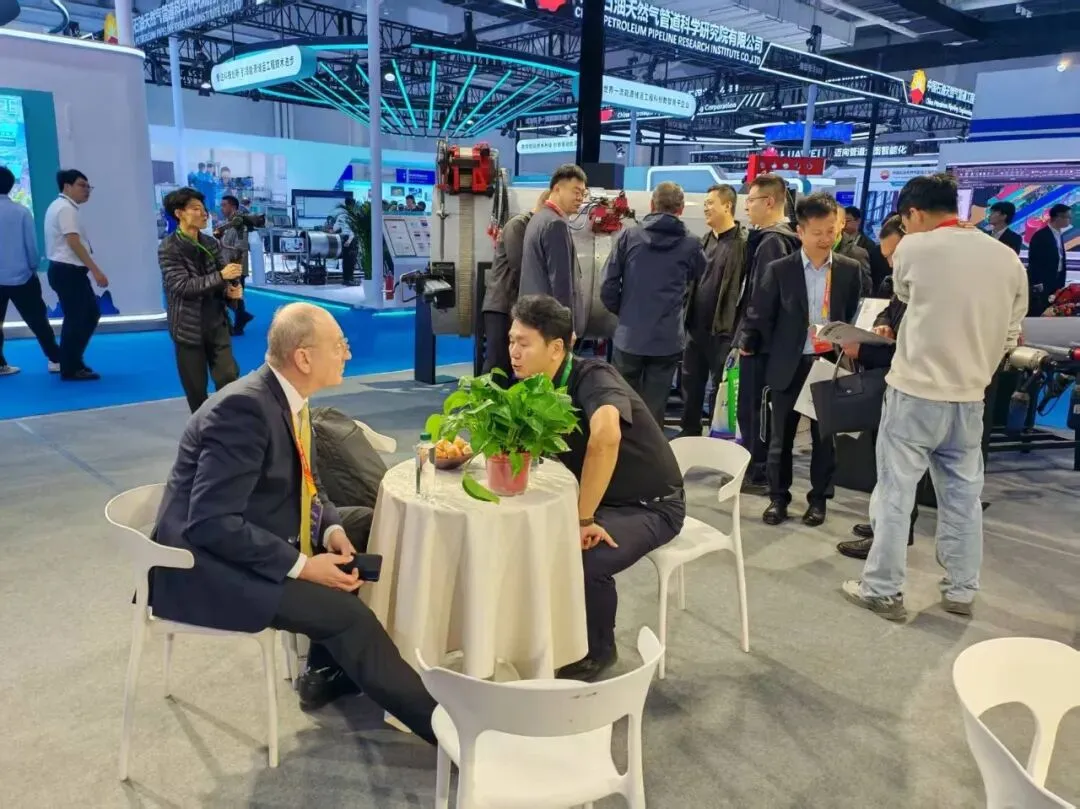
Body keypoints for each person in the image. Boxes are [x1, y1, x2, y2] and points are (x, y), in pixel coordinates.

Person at [151, 302, 437, 742]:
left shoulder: (288, 400)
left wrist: (332, 529)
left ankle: (329, 666)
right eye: (339, 345)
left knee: (366, 527)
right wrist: (303, 566)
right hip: (204, 567)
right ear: (303, 358)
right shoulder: (243, 411)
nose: (347, 354)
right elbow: (210, 523)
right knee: (349, 616)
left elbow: (310, 483)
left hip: (255, 530)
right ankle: (450, 733)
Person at [842, 173, 1027, 622]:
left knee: (894, 494)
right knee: (963, 498)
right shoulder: (1007, 258)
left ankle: (882, 589)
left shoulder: (914, 248)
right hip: (970, 396)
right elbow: (1010, 333)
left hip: (914, 392)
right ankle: (961, 589)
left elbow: (905, 295)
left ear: (914, 213)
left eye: (905, 221)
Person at [509, 295, 685, 682]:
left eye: (524, 343)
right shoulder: (536, 387)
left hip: (650, 505)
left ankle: (598, 650)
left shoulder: (594, 376)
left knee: (583, 559)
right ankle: (546, 635)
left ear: (556, 348)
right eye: (511, 341)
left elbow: (605, 436)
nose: (514, 353)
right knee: (526, 533)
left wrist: (584, 519)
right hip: (601, 497)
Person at [740, 192, 862, 526]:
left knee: (825, 440)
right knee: (781, 438)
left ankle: (819, 500)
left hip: (830, 364)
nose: (825, 239)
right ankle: (778, 498)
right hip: (788, 363)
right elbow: (761, 314)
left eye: (831, 231)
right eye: (817, 232)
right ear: (800, 232)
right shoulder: (781, 270)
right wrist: (750, 346)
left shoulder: (850, 270)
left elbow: (854, 312)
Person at [835, 216, 919, 559]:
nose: (892, 263)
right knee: (885, 463)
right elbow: (890, 310)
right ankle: (884, 523)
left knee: (901, 469)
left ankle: (891, 539)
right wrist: (883, 324)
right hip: (888, 382)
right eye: (887, 257)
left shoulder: (928, 288)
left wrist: (864, 351)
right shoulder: (903, 282)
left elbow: (912, 349)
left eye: (895, 255)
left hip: (913, 388)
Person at [600, 181, 705, 426]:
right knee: (654, 409)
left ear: (651, 204)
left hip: (630, 336)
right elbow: (699, 276)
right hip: (666, 339)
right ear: (680, 209)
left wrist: (625, 311)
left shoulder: (629, 236)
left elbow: (608, 285)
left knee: (622, 403)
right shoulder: (692, 244)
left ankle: (622, 447)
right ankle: (650, 447)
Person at [734, 173, 801, 493]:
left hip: (762, 345)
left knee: (754, 408)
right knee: (759, 408)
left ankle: (757, 470)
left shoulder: (773, 241)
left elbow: (762, 296)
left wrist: (748, 337)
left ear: (770, 202)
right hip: (774, 344)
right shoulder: (782, 238)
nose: (746, 206)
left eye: (751, 200)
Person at [159, 187, 242, 413]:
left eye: (204, 209)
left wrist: (231, 291)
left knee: (228, 377)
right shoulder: (168, 248)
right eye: (196, 209)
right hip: (188, 327)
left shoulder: (210, 243)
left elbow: (223, 277)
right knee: (196, 390)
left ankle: (229, 423)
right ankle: (203, 428)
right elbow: (182, 286)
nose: (204, 213)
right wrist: (222, 276)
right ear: (179, 214)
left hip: (216, 321)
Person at [678, 183, 747, 437]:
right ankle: (689, 431)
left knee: (721, 387)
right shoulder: (703, 241)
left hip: (724, 331)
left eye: (710, 203)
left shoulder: (743, 244)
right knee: (690, 383)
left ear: (727, 206)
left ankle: (718, 437)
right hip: (695, 328)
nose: (705, 208)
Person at [44, 169, 107, 381]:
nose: (86, 190)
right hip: (67, 271)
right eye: (82, 185)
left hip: (66, 271)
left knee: (86, 315)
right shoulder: (65, 209)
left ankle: (72, 361)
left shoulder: (62, 207)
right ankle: (70, 366)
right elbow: (73, 242)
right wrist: (96, 270)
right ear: (67, 186)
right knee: (78, 318)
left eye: (89, 186)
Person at [0, 165, 61, 376]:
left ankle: (0, 364)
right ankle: (55, 359)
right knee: (38, 321)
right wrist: (33, 267)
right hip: (22, 277)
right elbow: (31, 247)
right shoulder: (21, 212)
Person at [482, 190, 549, 383]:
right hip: (501, 306)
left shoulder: (533, 228)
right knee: (497, 364)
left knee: (513, 362)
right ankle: (485, 401)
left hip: (514, 305)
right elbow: (520, 266)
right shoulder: (518, 225)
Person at [519, 164, 589, 335]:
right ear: (557, 189)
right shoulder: (555, 224)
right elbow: (561, 282)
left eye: (583, 193)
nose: (580, 198)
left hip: (534, 319)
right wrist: (566, 328)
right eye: (576, 192)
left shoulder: (538, 219)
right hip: (549, 325)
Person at [216, 194, 255, 336]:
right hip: (227, 266)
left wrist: (223, 246)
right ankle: (242, 318)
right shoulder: (227, 224)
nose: (222, 208)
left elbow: (240, 247)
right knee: (231, 297)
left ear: (233, 206)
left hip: (235, 267)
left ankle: (240, 322)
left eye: (224, 205)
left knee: (232, 296)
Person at [1027, 203, 1072, 315]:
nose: (1069, 220)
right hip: (1043, 283)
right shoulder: (1040, 236)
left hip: (1057, 281)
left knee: (1054, 311)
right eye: (1067, 217)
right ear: (1058, 217)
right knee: (1041, 311)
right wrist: (1037, 283)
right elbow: (1034, 262)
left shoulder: (1059, 234)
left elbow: (1060, 258)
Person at [835, 206, 872, 296]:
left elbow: (865, 287)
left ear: (858, 221)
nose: (844, 225)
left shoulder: (866, 247)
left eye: (847, 221)